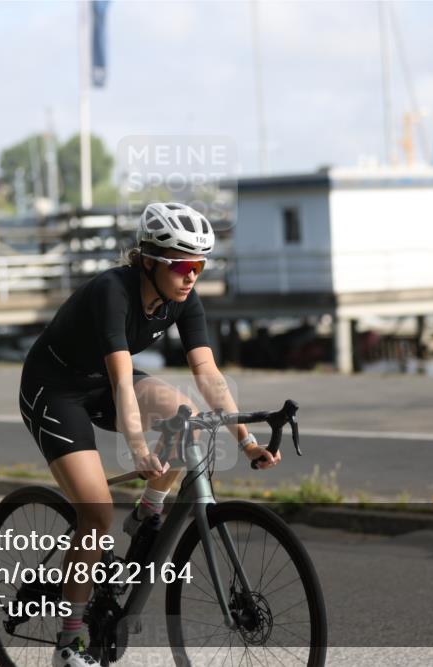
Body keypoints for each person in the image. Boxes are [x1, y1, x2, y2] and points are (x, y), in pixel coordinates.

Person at [19, 202, 282, 666]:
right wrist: (138, 448)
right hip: (54, 390)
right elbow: (121, 379)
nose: (191, 276)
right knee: (96, 516)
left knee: (186, 414)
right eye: (182, 265)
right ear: (148, 259)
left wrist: (246, 440)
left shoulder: (184, 298)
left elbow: (208, 372)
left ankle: (148, 510)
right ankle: (70, 640)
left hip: (100, 383)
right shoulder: (111, 291)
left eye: (199, 266)